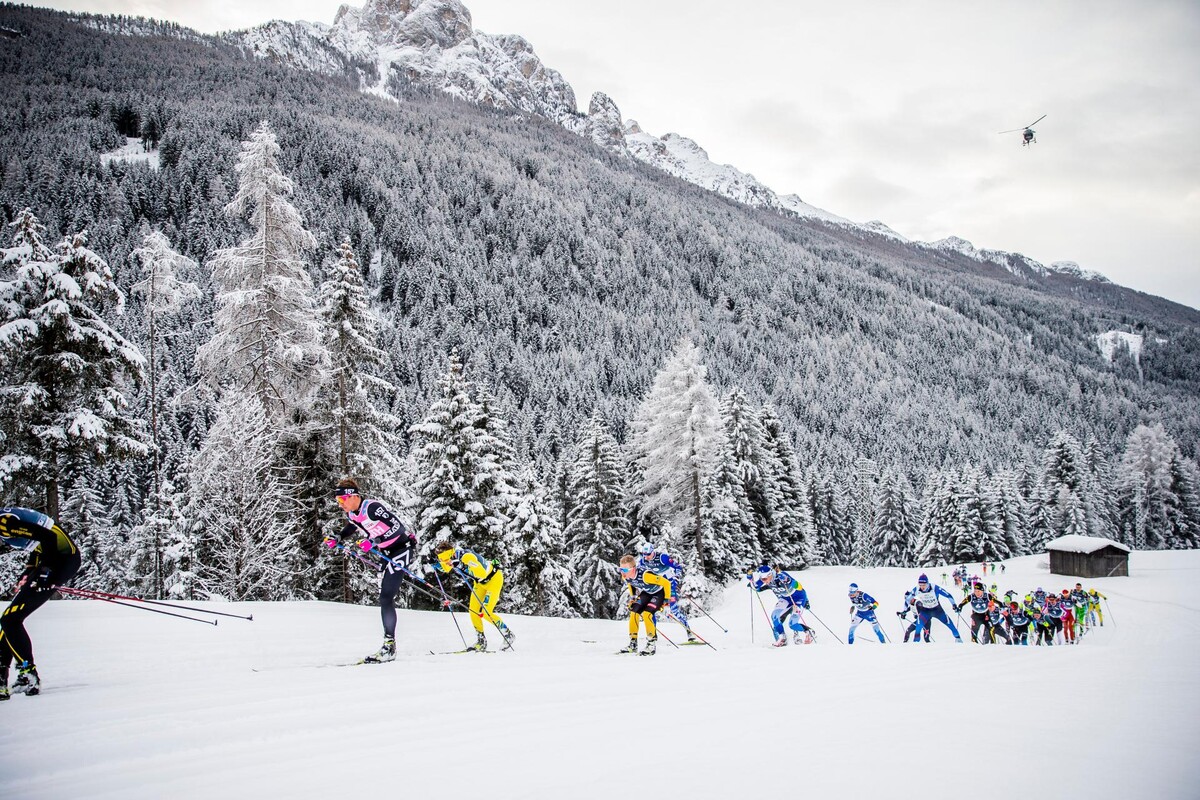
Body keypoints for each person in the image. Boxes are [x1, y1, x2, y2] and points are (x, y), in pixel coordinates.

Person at [330, 478, 417, 664]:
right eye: (338, 501)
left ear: (353, 496)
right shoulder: (352, 514)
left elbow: (397, 527)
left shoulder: (372, 507)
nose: (340, 504)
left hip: (401, 548)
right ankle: (389, 646)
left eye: (342, 500)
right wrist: (338, 537)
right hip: (386, 553)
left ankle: (389, 647)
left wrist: (373, 541)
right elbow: (352, 526)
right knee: (384, 596)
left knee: (386, 597)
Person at [0, 507, 82, 699]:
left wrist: (45, 572)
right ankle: (6, 679)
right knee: (9, 620)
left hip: (64, 560)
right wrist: (31, 570)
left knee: (11, 620)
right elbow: (39, 545)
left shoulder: (4, 523)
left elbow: (48, 537)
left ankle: (28, 675)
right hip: (54, 560)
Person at [433, 540, 514, 651]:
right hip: (480, 583)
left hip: (493, 580)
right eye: (442, 560)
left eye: (446, 560)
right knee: (473, 611)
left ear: (451, 554)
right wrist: (435, 564)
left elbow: (482, 573)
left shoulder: (467, 557)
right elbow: (446, 568)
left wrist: (461, 565)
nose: (445, 562)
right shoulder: (452, 557)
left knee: (486, 613)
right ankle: (481, 641)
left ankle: (508, 634)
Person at [638, 542, 696, 643]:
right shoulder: (643, 560)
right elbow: (640, 572)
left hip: (670, 585)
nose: (646, 557)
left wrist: (676, 578)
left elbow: (678, 567)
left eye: (648, 554)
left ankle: (689, 632)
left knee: (674, 610)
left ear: (653, 552)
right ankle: (653, 634)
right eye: (644, 554)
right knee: (650, 610)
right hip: (657, 587)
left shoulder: (662, 558)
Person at [618, 554, 672, 656]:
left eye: (625, 570)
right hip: (647, 593)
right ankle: (633, 644)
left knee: (647, 614)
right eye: (620, 569)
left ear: (633, 568)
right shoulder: (626, 576)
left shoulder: (646, 576)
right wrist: (633, 597)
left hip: (659, 593)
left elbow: (666, 583)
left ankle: (651, 645)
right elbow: (631, 583)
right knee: (634, 612)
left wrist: (666, 603)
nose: (622, 572)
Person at [751, 565, 815, 646]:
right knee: (774, 615)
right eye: (762, 579)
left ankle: (809, 632)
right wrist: (751, 581)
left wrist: (789, 581)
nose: (764, 581)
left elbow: (799, 587)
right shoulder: (766, 578)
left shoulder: (781, 576)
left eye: (764, 579)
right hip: (785, 599)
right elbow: (756, 587)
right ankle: (782, 637)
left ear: (770, 575)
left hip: (798, 598)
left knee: (793, 625)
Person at [909, 574, 963, 643]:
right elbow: (908, 599)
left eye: (924, 585)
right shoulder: (916, 589)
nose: (922, 587)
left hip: (937, 610)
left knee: (950, 624)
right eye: (920, 585)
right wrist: (904, 611)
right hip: (925, 611)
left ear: (927, 583)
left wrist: (954, 605)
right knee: (918, 628)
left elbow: (948, 595)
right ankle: (915, 645)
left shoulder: (934, 587)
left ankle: (958, 639)